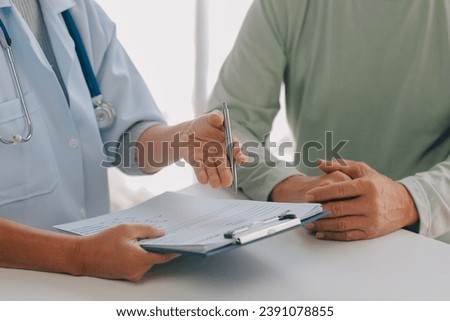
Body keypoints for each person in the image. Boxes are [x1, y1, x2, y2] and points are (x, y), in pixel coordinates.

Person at [0, 0, 246, 281]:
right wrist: (78, 255)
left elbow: (127, 136)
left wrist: (182, 139)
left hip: (96, 278)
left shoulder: (74, 8)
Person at [209, 0, 450, 242]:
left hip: (433, 246)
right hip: (314, 235)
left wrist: (407, 201)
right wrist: (286, 184)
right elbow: (226, 123)